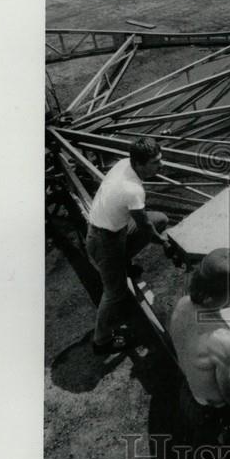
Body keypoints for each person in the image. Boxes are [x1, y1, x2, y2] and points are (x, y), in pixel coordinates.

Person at [169, 248, 230, 436]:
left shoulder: (183, 303)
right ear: (216, 295)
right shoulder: (222, 340)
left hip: (190, 387)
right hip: (211, 410)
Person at [86, 138, 169, 355]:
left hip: (112, 229)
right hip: (104, 240)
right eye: (155, 162)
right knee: (115, 291)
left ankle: (122, 262)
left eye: (161, 159)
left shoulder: (125, 163)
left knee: (159, 218)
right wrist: (164, 242)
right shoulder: (132, 189)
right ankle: (101, 341)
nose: (162, 165)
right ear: (140, 164)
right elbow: (145, 227)